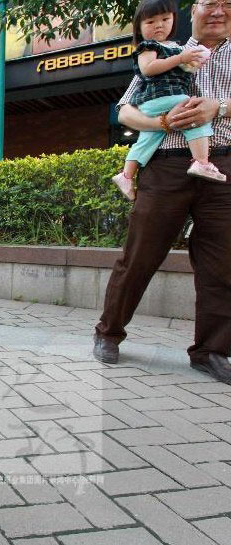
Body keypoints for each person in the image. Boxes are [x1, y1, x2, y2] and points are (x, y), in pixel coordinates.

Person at [94, 0, 231, 385]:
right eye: (209, 3)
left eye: (226, 3)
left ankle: (211, 351)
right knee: (139, 256)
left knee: (222, 264)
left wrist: (217, 109)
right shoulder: (169, 48)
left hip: (222, 165)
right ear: (193, 11)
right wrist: (161, 120)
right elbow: (124, 110)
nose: (218, 11)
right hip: (167, 165)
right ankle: (108, 332)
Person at [112, 0, 223, 200]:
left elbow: (186, 70)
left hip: (160, 101)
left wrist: (192, 60)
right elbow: (148, 69)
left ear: (174, 19)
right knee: (193, 112)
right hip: (163, 98)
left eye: (165, 19)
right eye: (151, 21)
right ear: (193, 10)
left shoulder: (174, 47)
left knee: (147, 139)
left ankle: (126, 175)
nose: (159, 25)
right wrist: (181, 58)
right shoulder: (149, 46)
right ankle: (202, 162)